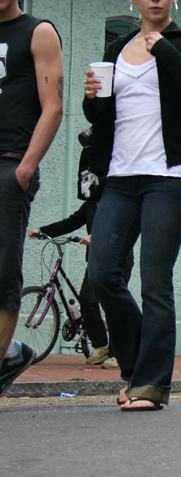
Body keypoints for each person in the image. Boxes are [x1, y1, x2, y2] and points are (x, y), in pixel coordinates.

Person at [83, 0, 181, 410]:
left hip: (168, 176)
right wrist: (91, 97)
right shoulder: (118, 49)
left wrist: (164, 51)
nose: (155, 0)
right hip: (120, 179)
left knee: (155, 282)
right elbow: (101, 113)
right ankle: (136, 364)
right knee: (103, 273)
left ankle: (151, 385)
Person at [0, 0, 63, 397]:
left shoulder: (38, 31)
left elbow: (53, 106)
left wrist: (23, 169)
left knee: (2, 271)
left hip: (8, 164)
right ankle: (10, 354)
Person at [28, 202, 135, 369]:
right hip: (97, 258)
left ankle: (119, 353)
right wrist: (43, 231)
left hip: (119, 258)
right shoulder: (91, 204)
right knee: (86, 299)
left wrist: (99, 235)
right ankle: (101, 346)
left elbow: (125, 226)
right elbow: (71, 222)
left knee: (114, 305)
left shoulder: (119, 200)